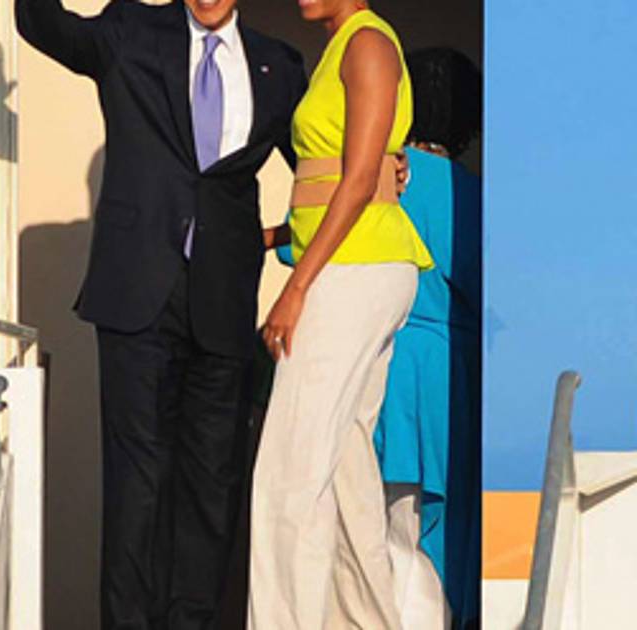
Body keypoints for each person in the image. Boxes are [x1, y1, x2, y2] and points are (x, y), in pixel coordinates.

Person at [15, 1, 308, 628]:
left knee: (212, 484)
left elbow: (318, 162)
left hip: (224, 299)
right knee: (137, 482)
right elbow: (46, 27)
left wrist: (386, 167)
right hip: (137, 294)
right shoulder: (131, 30)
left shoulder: (277, 64)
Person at [250, 1, 433, 629]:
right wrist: (271, 237)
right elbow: (338, 178)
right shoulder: (343, 45)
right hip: (356, 265)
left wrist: (296, 286)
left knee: (289, 468)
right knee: (345, 464)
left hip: (355, 269)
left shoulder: (368, 44)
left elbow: (358, 182)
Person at [375, 47, 483, 629]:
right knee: (434, 537)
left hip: (381, 360)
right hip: (447, 376)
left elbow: (301, 246)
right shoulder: (474, 197)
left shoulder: (380, 175)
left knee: (382, 526)